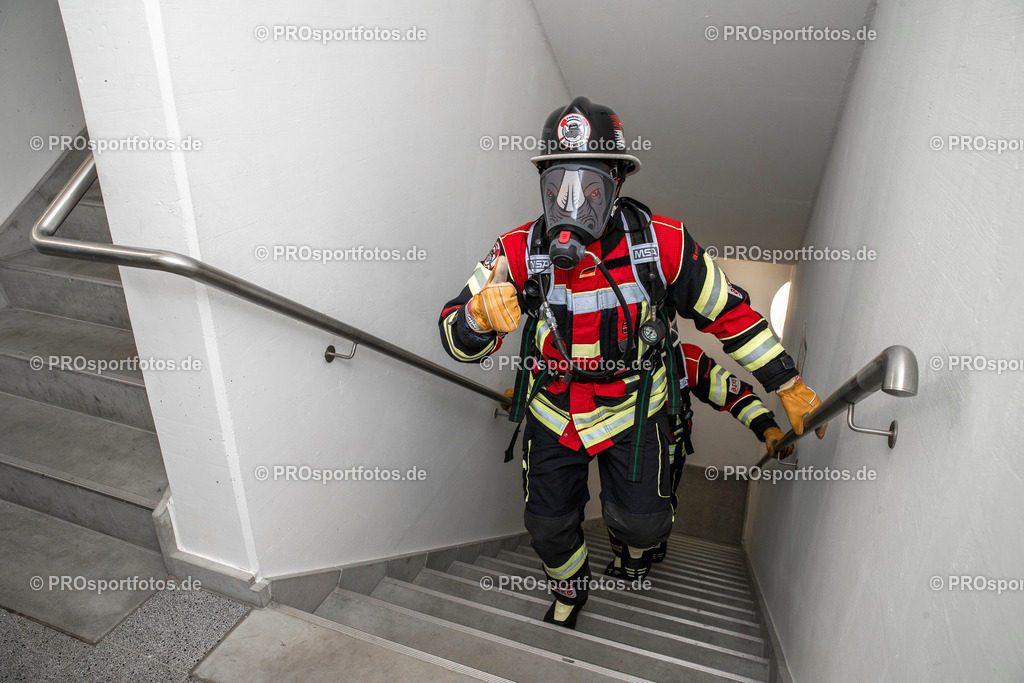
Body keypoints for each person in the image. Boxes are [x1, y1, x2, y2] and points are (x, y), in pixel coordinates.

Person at [438, 96, 824, 629]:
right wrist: (479, 317)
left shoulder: (664, 245)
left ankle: (633, 549)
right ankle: (571, 591)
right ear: (543, 185)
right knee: (546, 525)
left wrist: (785, 382)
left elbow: (728, 314)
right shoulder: (518, 251)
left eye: (589, 187)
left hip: (634, 408)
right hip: (554, 408)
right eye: (557, 187)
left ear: (617, 183)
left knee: (644, 524)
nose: (572, 204)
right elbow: (454, 335)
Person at [604, 334, 793, 578]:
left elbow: (732, 392)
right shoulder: (608, 357)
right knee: (616, 501)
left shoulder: (686, 358)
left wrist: (766, 427)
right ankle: (625, 559)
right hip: (620, 451)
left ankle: (647, 551)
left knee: (661, 501)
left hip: (669, 453)